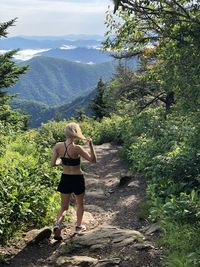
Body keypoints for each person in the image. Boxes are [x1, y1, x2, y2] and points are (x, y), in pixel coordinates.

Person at [50, 122, 97, 240]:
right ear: (76, 133)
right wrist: (91, 145)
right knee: (79, 204)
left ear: (66, 133)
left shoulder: (58, 146)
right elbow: (93, 160)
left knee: (64, 207)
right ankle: (79, 226)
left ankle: (58, 225)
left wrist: (60, 161)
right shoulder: (77, 148)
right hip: (77, 178)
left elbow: (53, 164)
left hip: (65, 178)